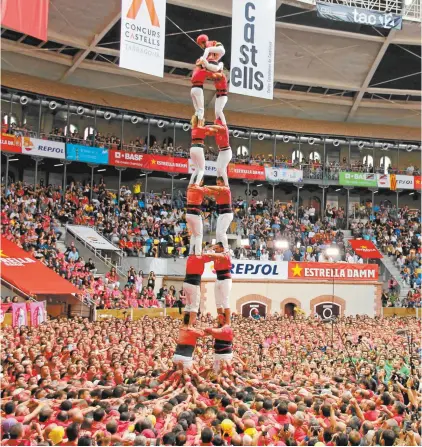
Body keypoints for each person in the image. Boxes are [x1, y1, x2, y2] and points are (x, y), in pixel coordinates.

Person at [204, 177, 233, 252]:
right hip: (221, 214)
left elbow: (214, 188)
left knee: (222, 232)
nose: (218, 185)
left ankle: (226, 250)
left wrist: (207, 186)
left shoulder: (226, 189)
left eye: (219, 183)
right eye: (217, 183)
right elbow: (207, 192)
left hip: (227, 214)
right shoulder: (217, 192)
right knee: (217, 233)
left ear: (223, 183)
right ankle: (218, 248)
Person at [190, 61, 223, 127]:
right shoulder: (203, 71)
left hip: (192, 89)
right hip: (198, 89)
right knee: (201, 109)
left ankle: (195, 123)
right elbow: (213, 75)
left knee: (197, 110)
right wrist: (218, 70)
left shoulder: (196, 69)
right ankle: (199, 125)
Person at [206, 242, 232, 324]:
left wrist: (210, 251)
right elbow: (207, 255)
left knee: (225, 301)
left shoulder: (225, 255)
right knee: (218, 302)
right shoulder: (215, 256)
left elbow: (211, 254)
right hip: (218, 279)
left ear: (222, 248)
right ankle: (221, 322)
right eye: (215, 249)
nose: (215, 250)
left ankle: (228, 322)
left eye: (217, 248)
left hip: (226, 280)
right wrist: (211, 248)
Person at [183, 254, 211, 325]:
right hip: (194, 283)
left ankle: (184, 323)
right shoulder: (200, 258)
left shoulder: (190, 257)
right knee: (194, 306)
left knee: (188, 305)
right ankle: (190, 325)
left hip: (186, 283)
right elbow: (211, 258)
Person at [205, 120, 231, 186]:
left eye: (216, 124)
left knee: (222, 169)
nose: (215, 125)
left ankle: (227, 185)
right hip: (221, 152)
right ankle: (219, 184)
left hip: (227, 151)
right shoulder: (217, 132)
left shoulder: (223, 129)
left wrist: (209, 125)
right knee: (218, 169)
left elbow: (217, 127)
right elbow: (209, 132)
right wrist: (204, 130)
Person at [189, 118, 213, 186]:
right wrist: (209, 127)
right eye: (203, 121)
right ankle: (196, 184)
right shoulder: (202, 128)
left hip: (192, 148)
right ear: (200, 121)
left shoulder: (193, 128)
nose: (204, 122)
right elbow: (212, 132)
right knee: (202, 169)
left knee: (196, 169)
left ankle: (190, 183)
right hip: (198, 148)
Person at [186, 183, 205, 256]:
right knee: (199, 235)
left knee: (194, 234)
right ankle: (198, 253)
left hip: (188, 214)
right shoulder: (200, 190)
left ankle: (191, 252)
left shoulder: (189, 189)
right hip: (195, 215)